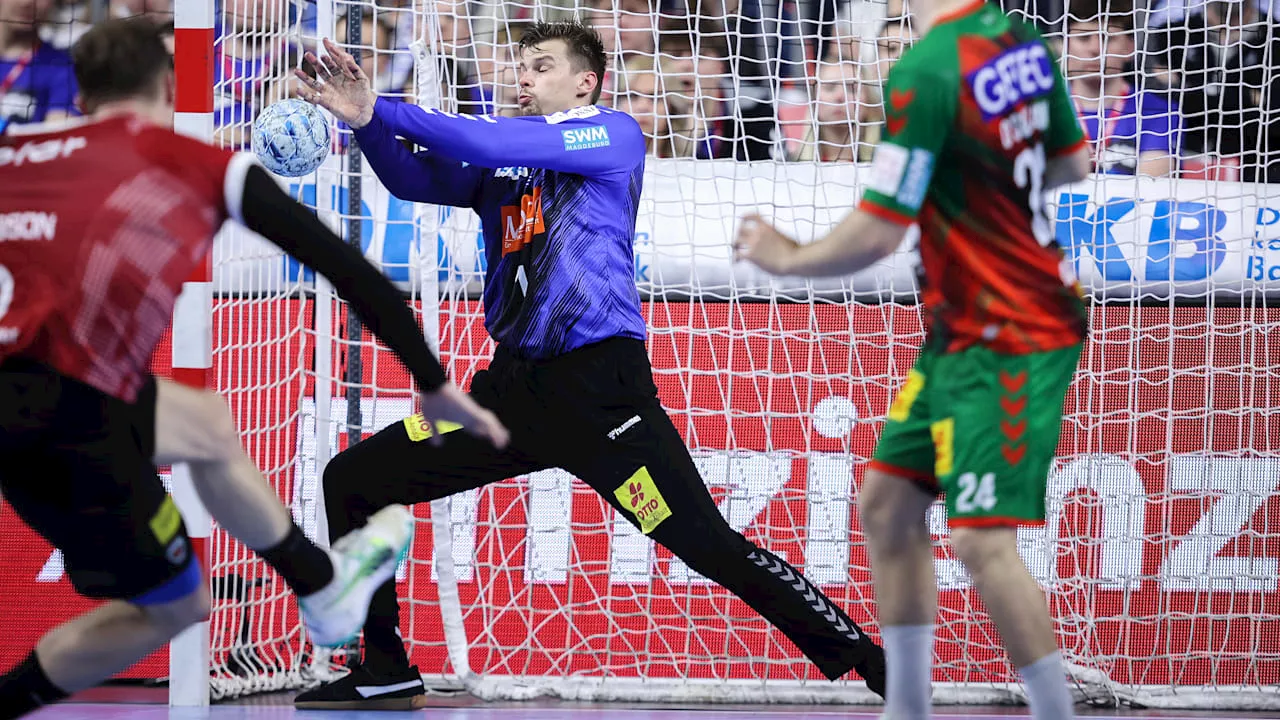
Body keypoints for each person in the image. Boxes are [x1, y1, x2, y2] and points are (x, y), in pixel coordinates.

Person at [291, 20, 886, 710]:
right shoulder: (505, 169)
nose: (524, 77)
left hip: (603, 399)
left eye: (541, 66)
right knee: (355, 479)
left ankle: (873, 663)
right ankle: (386, 663)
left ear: (586, 81)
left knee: (707, 545)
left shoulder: (611, 135)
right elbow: (409, 178)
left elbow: (479, 137)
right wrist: (366, 128)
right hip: (508, 399)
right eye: (520, 67)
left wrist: (379, 110)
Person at [0, 17, 507, 719]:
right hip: (68, 420)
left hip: (28, 385)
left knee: (203, 422)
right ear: (167, 86)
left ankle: (319, 585)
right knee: (176, 607)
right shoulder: (189, 159)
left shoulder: (15, 149)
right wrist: (433, 381)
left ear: (81, 95)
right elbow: (349, 269)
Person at [734, 0, 1091, 717]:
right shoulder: (1016, 37)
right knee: (889, 505)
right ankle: (908, 709)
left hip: (1010, 329)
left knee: (980, 541)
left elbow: (877, 233)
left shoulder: (922, 70)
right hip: (967, 325)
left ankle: (1058, 713)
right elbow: (1069, 162)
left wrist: (787, 257)